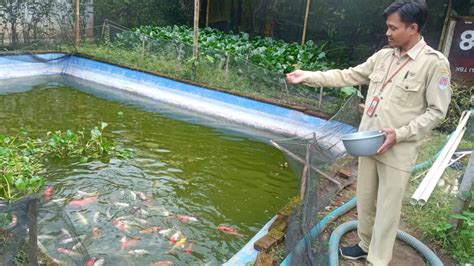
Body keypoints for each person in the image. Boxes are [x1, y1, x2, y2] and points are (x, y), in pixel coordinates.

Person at [286, 0, 451, 265]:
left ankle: (378, 259)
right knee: (364, 199)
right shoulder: (384, 56)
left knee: (387, 208)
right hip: (369, 143)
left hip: (398, 149)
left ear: (413, 28)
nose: (387, 33)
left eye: (392, 28)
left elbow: (436, 111)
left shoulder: (434, 64)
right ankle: (364, 244)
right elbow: (348, 75)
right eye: (387, 27)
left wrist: (400, 133)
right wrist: (308, 76)